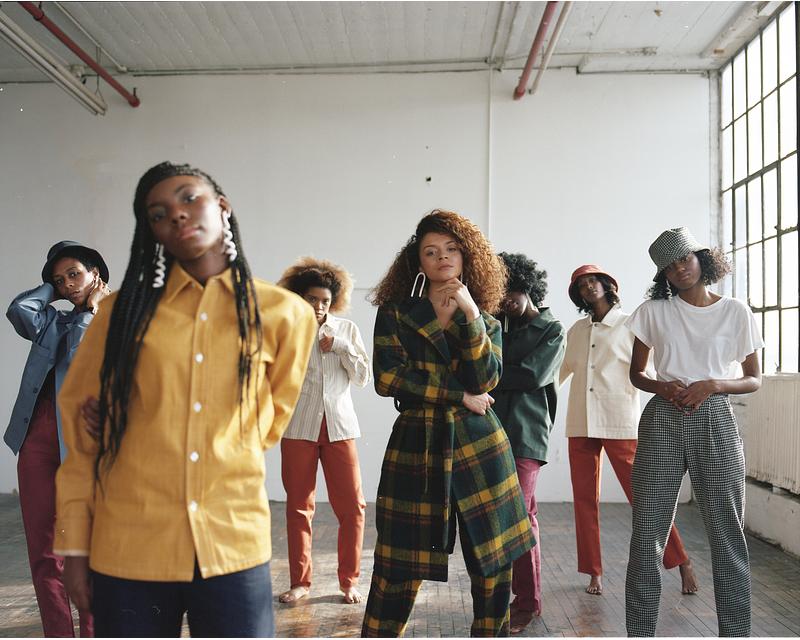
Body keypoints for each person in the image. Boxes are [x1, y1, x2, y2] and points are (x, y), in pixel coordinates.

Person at [53, 162, 317, 637]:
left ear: (222, 207)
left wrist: (167, 425)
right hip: (128, 546)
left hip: (232, 542)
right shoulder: (120, 313)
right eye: (158, 213)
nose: (176, 214)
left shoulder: (284, 314)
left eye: (189, 198)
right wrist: (73, 548)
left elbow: (266, 427)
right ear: (152, 232)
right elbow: (81, 440)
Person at [361, 210, 534, 638]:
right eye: (431, 252)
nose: (442, 258)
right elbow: (387, 379)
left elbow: (486, 380)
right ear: (417, 262)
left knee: (492, 564)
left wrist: (471, 314)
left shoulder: (486, 320)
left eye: (452, 249)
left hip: (481, 448)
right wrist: (458, 396)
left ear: (466, 256)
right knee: (398, 564)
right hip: (416, 446)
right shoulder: (396, 313)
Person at [624, 227, 762, 637]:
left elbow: (753, 379)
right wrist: (662, 387)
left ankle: (735, 633)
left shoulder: (735, 311)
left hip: (715, 417)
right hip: (662, 419)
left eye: (684, 259)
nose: (680, 269)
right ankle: (639, 633)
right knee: (646, 534)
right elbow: (637, 374)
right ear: (663, 275)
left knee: (727, 533)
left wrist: (714, 384)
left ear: (702, 258)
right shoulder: (653, 312)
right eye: (670, 266)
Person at [559, 264, 697, 598]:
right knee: (584, 500)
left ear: (607, 285)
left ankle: (680, 560)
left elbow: (651, 367)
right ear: (578, 295)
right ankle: (593, 571)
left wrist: (677, 390)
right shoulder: (576, 331)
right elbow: (559, 373)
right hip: (580, 420)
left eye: (594, 280)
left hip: (619, 419)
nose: (589, 287)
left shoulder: (630, 324)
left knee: (645, 498)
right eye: (582, 284)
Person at [6, 241, 110, 637]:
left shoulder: (115, 318)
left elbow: (78, 360)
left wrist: (91, 310)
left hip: (85, 446)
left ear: (96, 274)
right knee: (43, 550)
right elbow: (19, 309)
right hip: (36, 442)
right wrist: (54, 289)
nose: (67, 284)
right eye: (59, 280)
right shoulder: (51, 320)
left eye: (74, 274)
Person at [276, 257, 369, 605]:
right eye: (312, 299)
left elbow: (363, 378)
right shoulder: (286, 330)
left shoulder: (347, 330)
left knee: (353, 507)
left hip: (340, 427)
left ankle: (349, 581)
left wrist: (340, 346)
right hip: (298, 427)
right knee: (299, 508)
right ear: (299, 297)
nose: (318, 306)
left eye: (325, 301)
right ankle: (300, 582)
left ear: (334, 302)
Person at [489, 252, 565, 633]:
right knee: (513, 516)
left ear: (527, 287)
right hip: (491, 430)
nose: (506, 302)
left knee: (518, 517)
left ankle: (526, 602)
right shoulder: (497, 325)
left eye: (511, 293)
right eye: (499, 295)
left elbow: (532, 376)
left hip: (526, 433)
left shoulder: (552, 329)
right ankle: (519, 599)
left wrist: (489, 374)